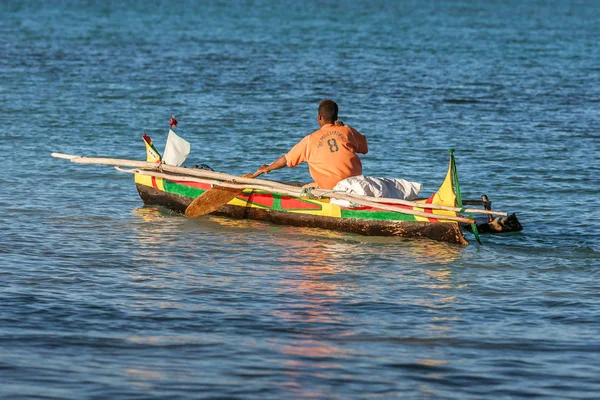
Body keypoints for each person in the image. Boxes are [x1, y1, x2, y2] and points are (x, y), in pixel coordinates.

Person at [254, 100, 368, 189]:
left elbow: (286, 160)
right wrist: (343, 127)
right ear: (336, 117)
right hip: (353, 184)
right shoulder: (347, 131)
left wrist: (268, 168)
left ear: (319, 117)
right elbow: (364, 149)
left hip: (330, 188)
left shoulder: (310, 140)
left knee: (304, 188)